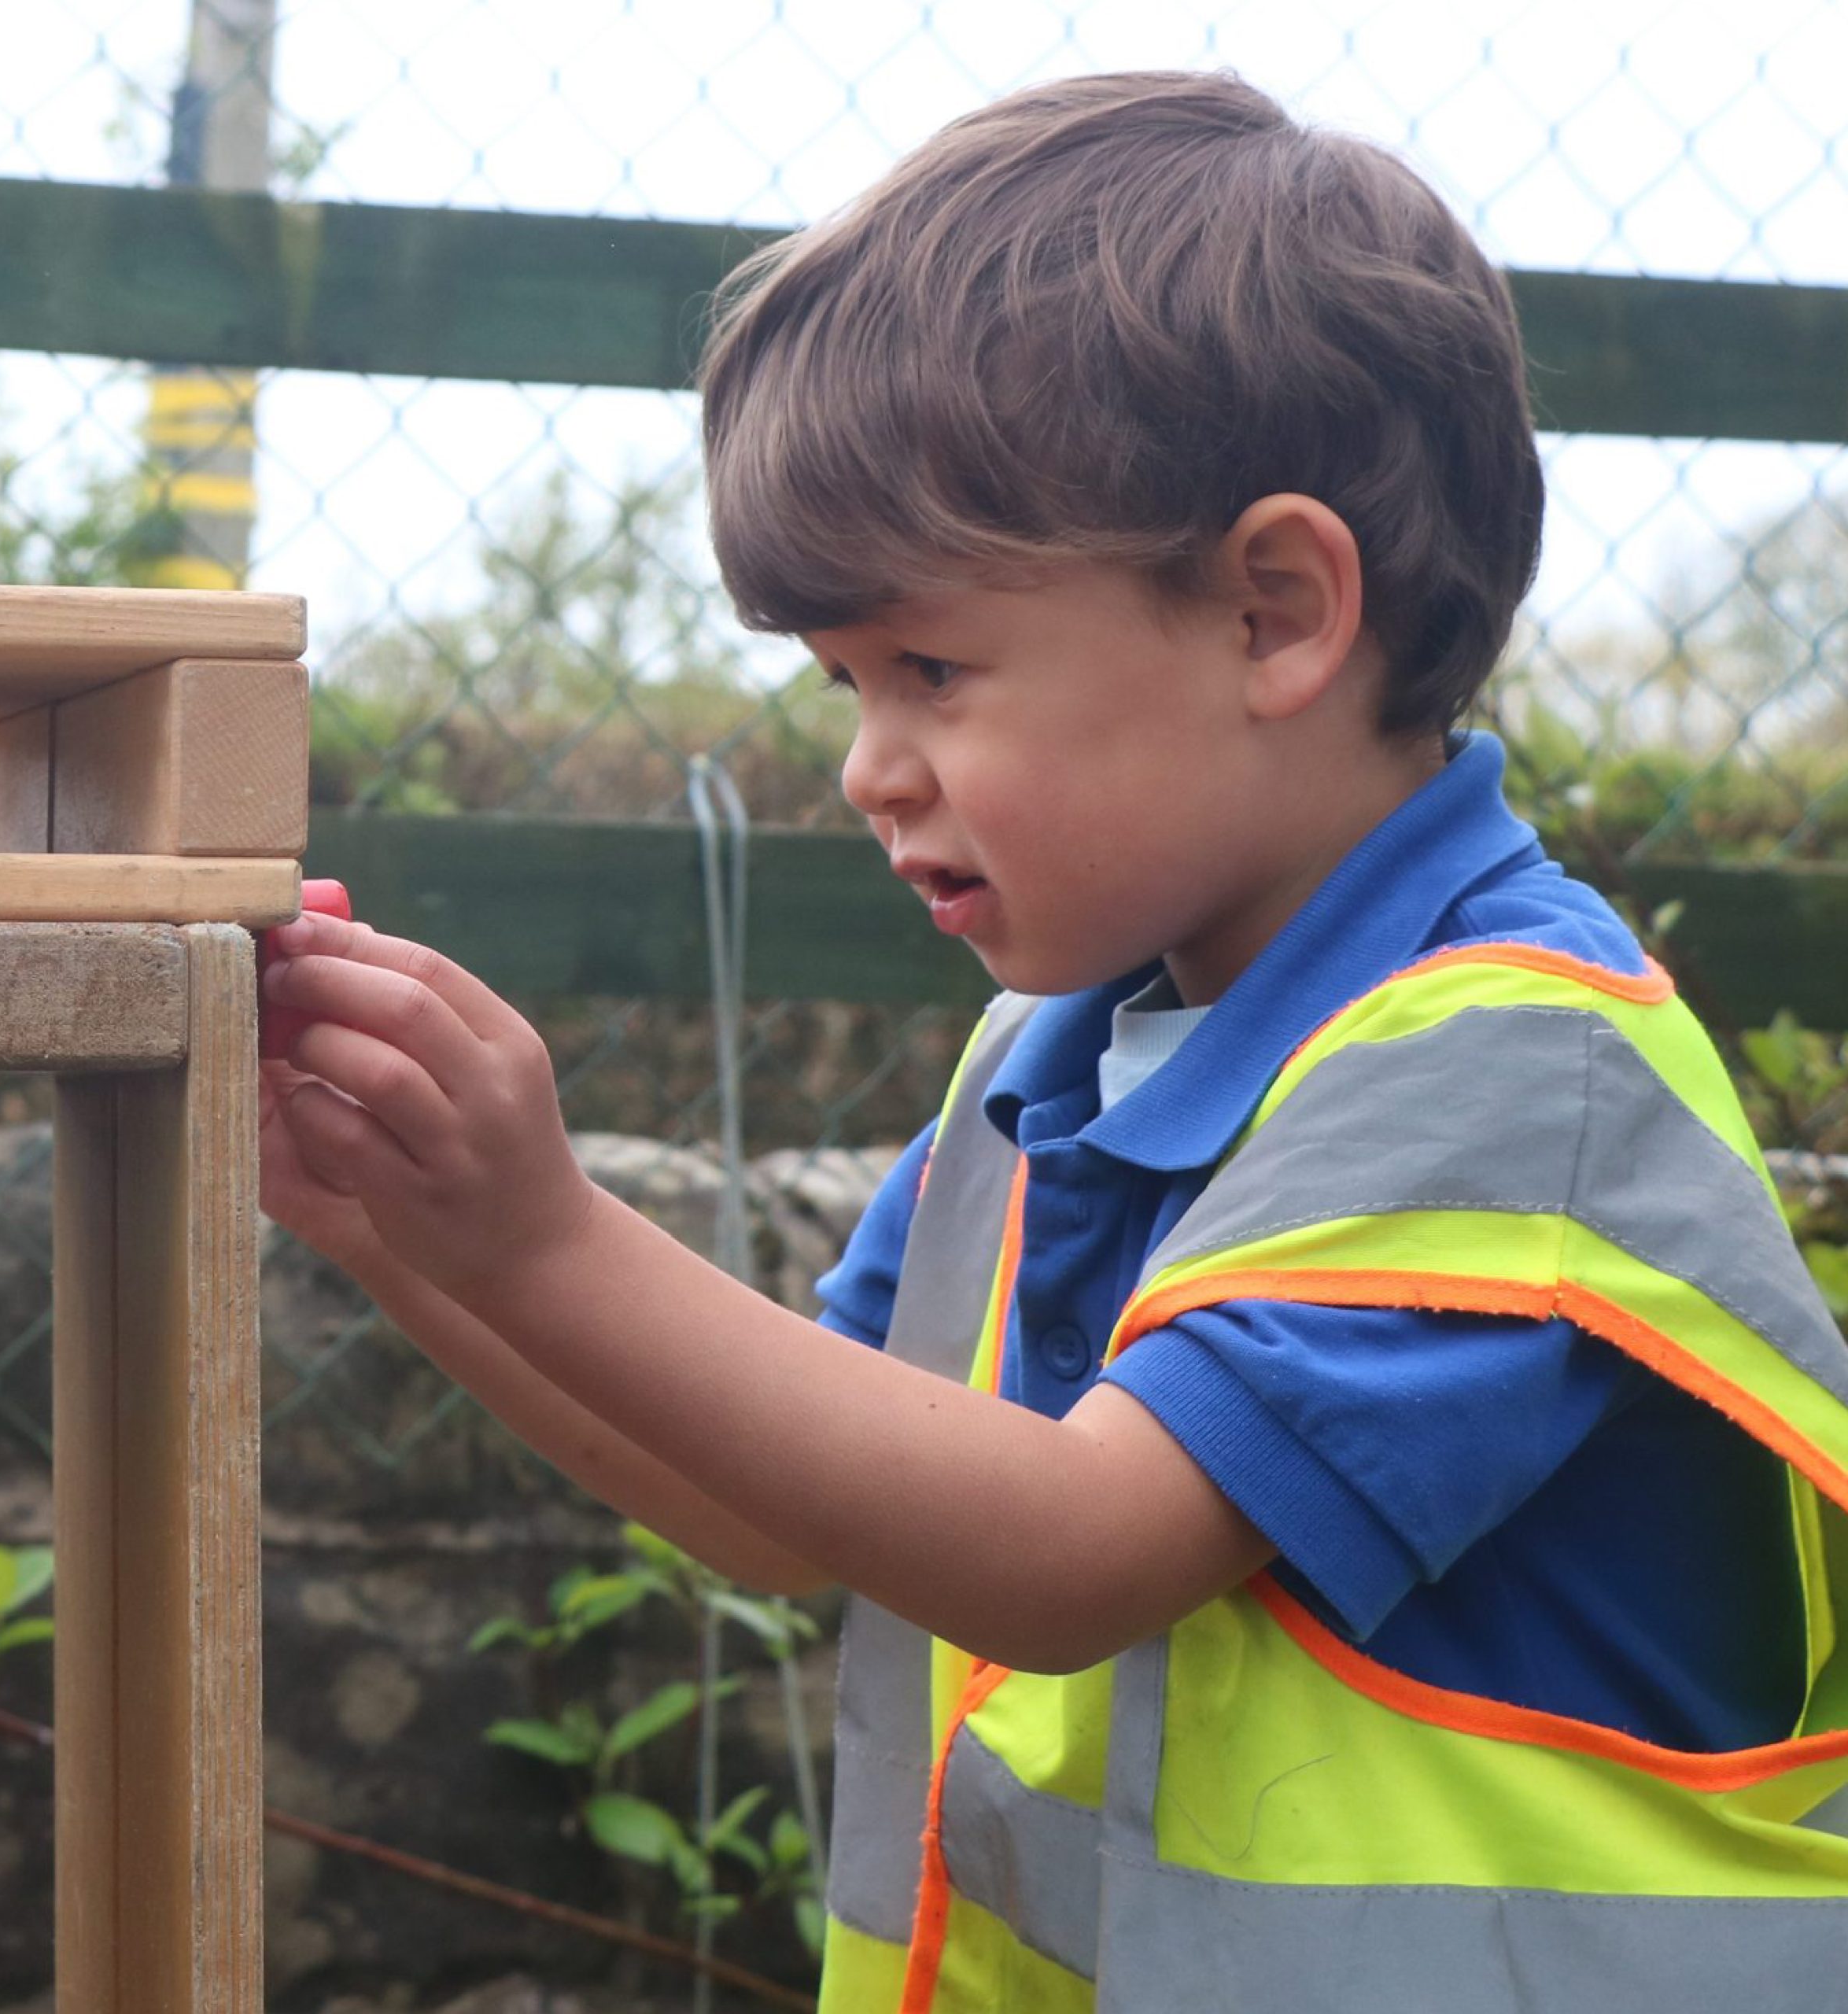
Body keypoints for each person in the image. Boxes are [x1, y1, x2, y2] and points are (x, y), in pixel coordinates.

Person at [257, 69, 1848, 2012]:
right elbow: (777, 1511)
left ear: (1274, 610)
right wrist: (398, 1230)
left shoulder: (1517, 1074)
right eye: (842, 682)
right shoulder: (1059, 1058)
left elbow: (1068, 1549)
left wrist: (538, 1230)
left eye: (929, 666)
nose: (862, 764)